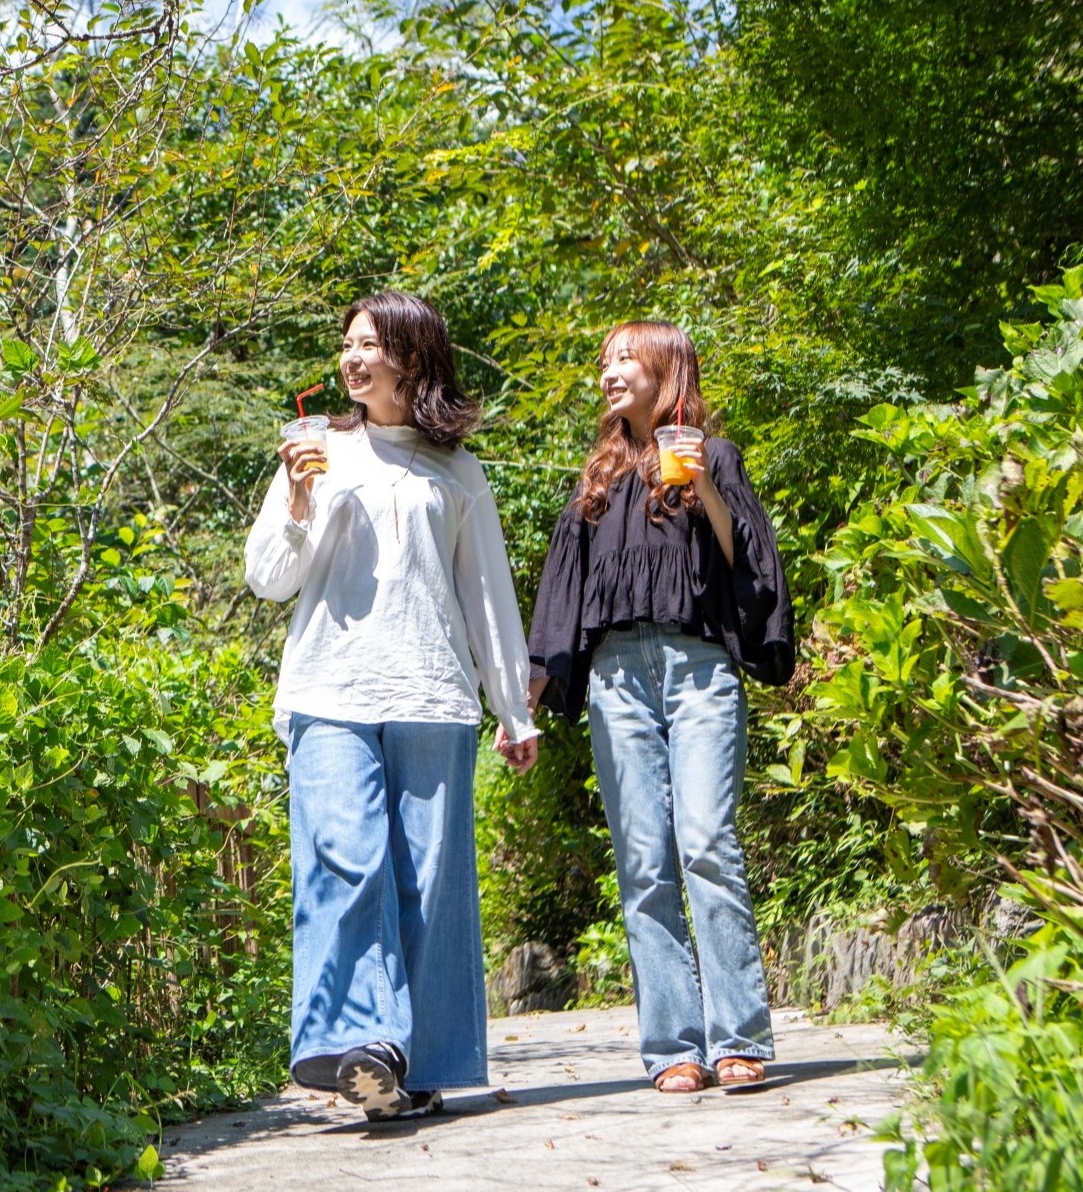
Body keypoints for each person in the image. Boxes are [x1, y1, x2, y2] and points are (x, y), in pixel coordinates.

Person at [244, 291, 540, 1123]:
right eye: (345, 344)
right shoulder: (316, 450)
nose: (350, 357)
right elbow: (268, 578)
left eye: (368, 343)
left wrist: (512, 707)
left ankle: (415, 1066)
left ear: (412, 357)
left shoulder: (458, 470)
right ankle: (366, 1040)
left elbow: (487, 594)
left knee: (429, 884)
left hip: (431, 692)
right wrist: (300, 506)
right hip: (326, 692)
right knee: (347, 858)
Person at [525, 321, 794, 1094]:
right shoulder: (599, 478)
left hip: (699, 665)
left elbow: (751, 562)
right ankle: (673, 1046)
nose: (608, 373)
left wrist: (703, 481)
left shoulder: (717, 456)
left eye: (623, 361)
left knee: (707, 839)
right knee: (644, 860)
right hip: (617, 676)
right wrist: (529, 699)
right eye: (604, 362)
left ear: (665, 370)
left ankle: (739, 1034)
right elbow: (561, 593)